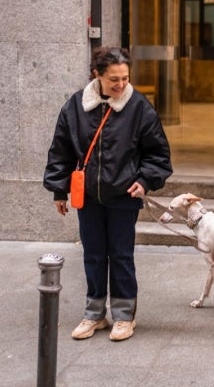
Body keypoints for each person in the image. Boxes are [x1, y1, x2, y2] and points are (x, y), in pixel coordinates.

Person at [43, 47, 173, 340]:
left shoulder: (139, 107)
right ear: (97, 75)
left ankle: (125, 316)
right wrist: (58, 190)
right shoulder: (76, 106)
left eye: (125, 78)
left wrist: (144, 180)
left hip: (123, 194)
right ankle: (94, 314)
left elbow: (158, 154)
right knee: (93, 255)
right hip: (88, 196)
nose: (121, 85)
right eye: (114, 79)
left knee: (121, 255)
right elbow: (61, 150)